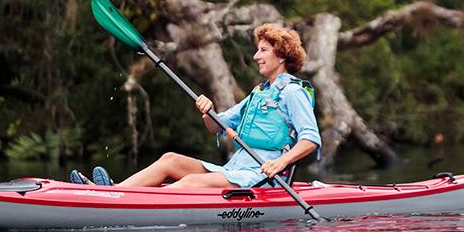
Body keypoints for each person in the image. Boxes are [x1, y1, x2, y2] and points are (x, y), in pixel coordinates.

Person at [70, 24, 320, 189]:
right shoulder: (258, 94)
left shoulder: (293, 93)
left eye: (263, 50)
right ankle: (112, 192)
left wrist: (280, 163)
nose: (256, 56)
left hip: (262, 177)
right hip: (235, 170)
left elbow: (310, 139)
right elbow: (215, 127)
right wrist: (207, 110)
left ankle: (123, 202)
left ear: (282, 56)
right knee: (170, 159)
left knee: (191, 182)